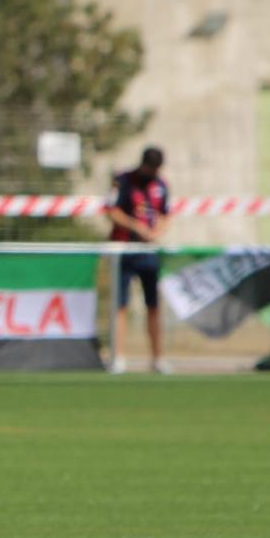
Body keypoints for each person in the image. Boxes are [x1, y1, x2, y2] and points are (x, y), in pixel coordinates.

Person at [106, 145, 171, 374]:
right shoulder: (122, 181)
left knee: (153, 305)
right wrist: (136, 226)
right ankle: (119, 357)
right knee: (120, 305)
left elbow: (165, 214)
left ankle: (157, 358)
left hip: (148, 253)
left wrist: (156, 231)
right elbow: (111, 210)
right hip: (123, 250)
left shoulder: (161, 186)